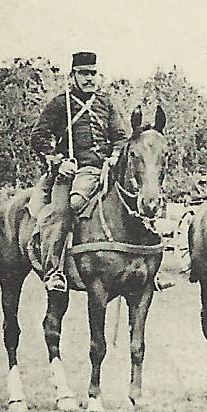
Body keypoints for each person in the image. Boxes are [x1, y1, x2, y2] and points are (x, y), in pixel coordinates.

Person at [28, 51, 132, 293]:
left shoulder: (106, 103)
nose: (89, 79)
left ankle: (145, 270)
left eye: (93, 73)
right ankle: (54, 271)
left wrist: (115, 155)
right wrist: (57, 161)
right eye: (83, 73)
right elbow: (39, 137)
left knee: (137, 201)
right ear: (72, 75)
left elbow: (120, 137)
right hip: (74, 172)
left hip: (106, 170)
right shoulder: (59, 104)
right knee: (68, 207)